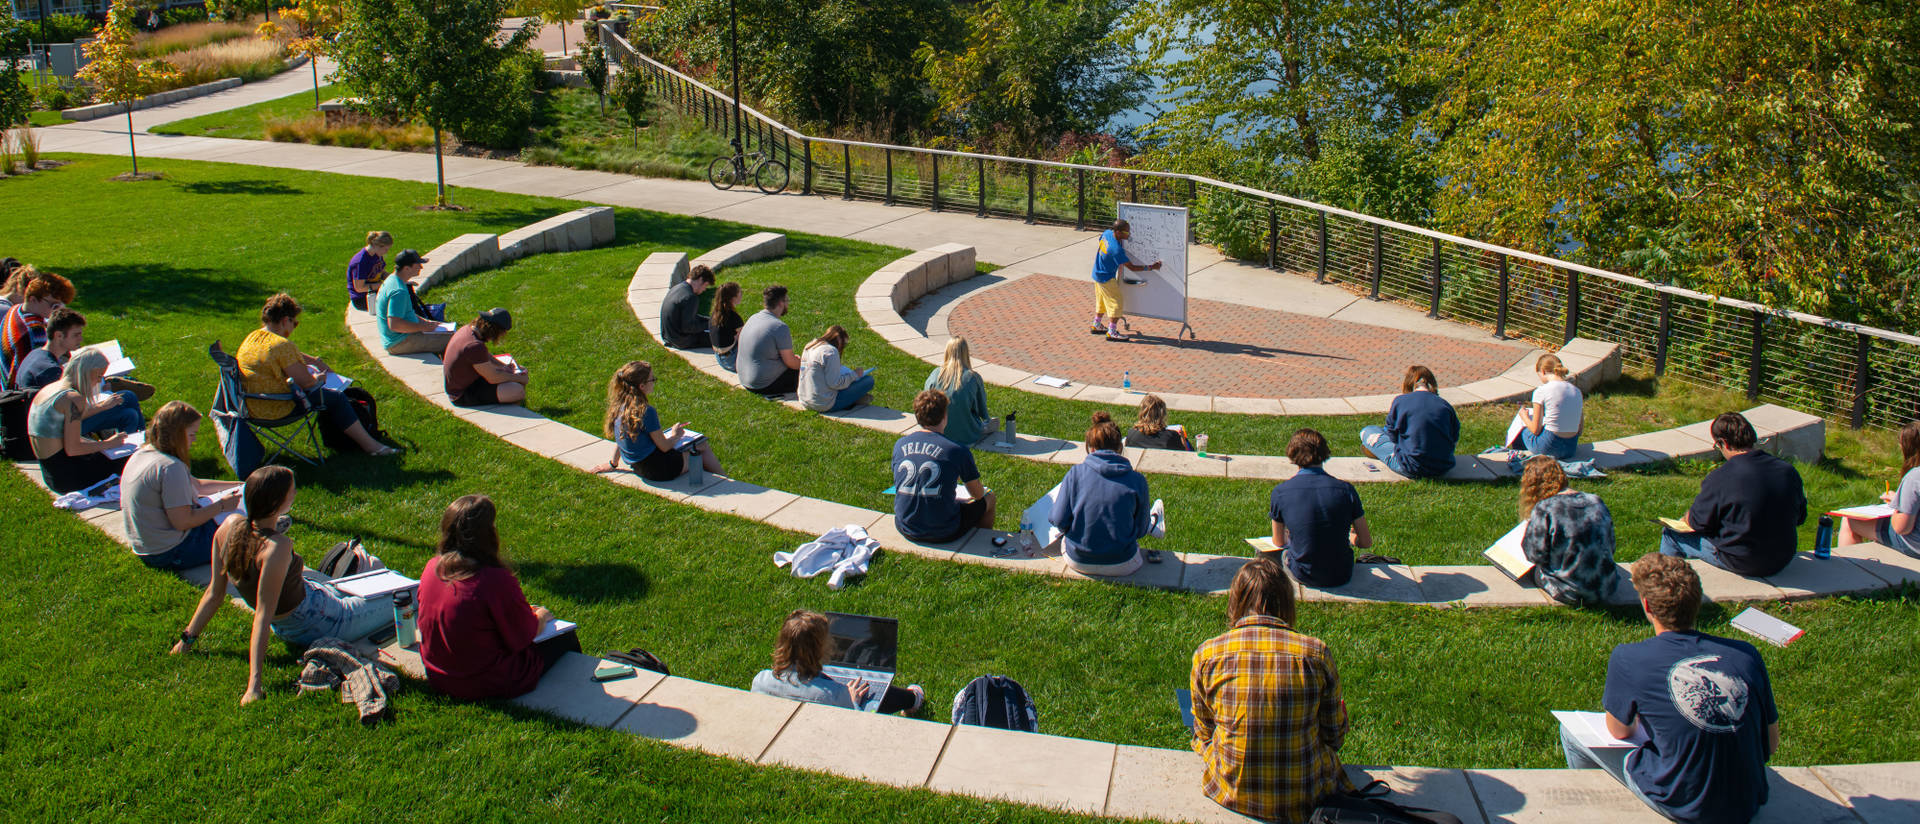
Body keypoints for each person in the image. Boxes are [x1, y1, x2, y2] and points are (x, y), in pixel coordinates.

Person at [1562, 553, 1779, 824]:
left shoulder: (1630, 658)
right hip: (1747, 801)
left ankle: (1592, 814)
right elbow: (1770, 744)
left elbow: (1618, 731)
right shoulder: (1746, 654)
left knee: (1571, 731)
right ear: (1697, 601)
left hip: (1683, 803)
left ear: (1647, 606)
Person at [169, 466, 394, 704]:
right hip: (319, 621)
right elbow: (262, 617)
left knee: (366, 581)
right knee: (404, 591)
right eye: (292, 491)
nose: (296, 493)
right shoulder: (276, 548)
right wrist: (253, 687)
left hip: (308, 605)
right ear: (276, 502)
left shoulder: (228, 527)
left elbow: (215, 593)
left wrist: (186, 640)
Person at [1190, 557, 1352, 822]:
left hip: (1231, 790)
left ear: (1235, 601)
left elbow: (1204, 733)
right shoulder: (1315, 653)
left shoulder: (1208, 654)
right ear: (1287, 602)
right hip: (1305, 793)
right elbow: (1334, 737)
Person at [418, 494, 581, 700]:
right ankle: (577, 694)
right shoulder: (494, 579)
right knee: (565, 639)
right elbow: (524, 636)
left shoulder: (432, 568)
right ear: (487, 535)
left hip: (438, 675)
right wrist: (541, 615)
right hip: (484, 683)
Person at [238, 293, 398, 455]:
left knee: (329, 395)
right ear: (286, 321)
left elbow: (287, 356)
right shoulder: (281, 345)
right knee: (336, 398)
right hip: (277, 407)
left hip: (251, 404)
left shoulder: (253, 337)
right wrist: (319, 378)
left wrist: (314, 361)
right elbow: (308, 383)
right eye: (295, 323)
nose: (294, 327)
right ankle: (372, 447)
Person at [1659, 412, 1806, 577]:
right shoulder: (1787, 471)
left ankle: (1667, 588)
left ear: (1724, 443)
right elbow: (1800, 517)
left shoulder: (1721, 477)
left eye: (1717, 446)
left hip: (1744, 561)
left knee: (1671, 535)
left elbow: (1698, 523)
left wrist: (1686, 518)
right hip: (1782, 557)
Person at [120, 401, 243, 570]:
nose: (194, 440)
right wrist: (221, 506)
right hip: (170, 551)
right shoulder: (170, 468)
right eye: (192, 434)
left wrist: (243, 484)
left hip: (147, 546)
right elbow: (183, 522)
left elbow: (198, 486)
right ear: (177, 434)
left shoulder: (143, 453)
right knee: (240, 526)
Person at [750, 609, 924, 714]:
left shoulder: (761, 680)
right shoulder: (836, 695)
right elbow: (854, 726)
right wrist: (852, 700)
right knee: (867, 695)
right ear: (820, 649)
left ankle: (912, 699)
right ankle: (912, 699)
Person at [1052, 411, 1159, 574]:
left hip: (1079, 559)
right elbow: (1140, 530)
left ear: (1091, 447)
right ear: (1120, 447)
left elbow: (1058, 519)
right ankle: (1156, 521)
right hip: (1123, 562)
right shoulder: (1137, 480)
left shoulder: (1075, 474)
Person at [1266, 428, 1371, 588]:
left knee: (1270, 556)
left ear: (1292, 455)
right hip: (1342, 573)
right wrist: (1351, 538)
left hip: (1303, 572)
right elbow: (1365, 541)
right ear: (1324, 453)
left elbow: (1278, 541)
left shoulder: (1281, 492)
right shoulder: (1346, 490)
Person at [17, 307, 144, 437]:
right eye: (76, 335)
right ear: (59, 335)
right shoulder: (50, 370)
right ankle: (137, 444)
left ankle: (134, 445)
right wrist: (103, 404)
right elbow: (70, 412)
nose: (81, 339)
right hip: (56, 429)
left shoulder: (37, 354)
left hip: (52, 420)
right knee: (128, 402)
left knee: (129, 411)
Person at [891, 390, 995, 542]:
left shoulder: (900, 444)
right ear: (945, 416)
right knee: (989, 498)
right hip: (943, 530)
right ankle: (982, 541)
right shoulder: (956, 450)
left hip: (906, 525)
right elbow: (977, 494)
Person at [593, 360, 723, 481]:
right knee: (702, 446)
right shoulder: (646, 411)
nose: (654, 382)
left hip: (639, 467)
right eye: (652, 380)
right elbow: (665, 447)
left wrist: (613, 463)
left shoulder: (619, 407)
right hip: (660, 469)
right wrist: (676, 435)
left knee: (694, 447)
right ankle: (727, 482)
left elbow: (621, 438)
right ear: (642, 386)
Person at [1518, 455, 1618, 605]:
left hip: (1569, 591)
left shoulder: (1546, 508)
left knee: (1534, 572)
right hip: (1606, 587)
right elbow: (1612, 545)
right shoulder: (1595, 500)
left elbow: (1534, 555)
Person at [28, 347, 129, 493]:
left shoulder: (50, 389)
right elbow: (73, 449)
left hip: (51, 474)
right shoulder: (73, 399)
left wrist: (101, 407)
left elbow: (62, 428)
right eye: (99, 376)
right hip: (70, 478)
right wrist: (108, 444)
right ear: (87, 373)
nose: (99, 381)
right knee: (127, 458)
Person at [1360, 365, 1459, 477]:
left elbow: (1392, 436)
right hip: (1443, 467)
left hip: (1411, 466)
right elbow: (1454, 439)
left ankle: (1377, 450)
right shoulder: (1445, 405)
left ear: (1409, 384)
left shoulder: (1401, 401)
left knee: (1368, 431)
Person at [1839, 420, 1920, 556]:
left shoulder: (1914, 477)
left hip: (1913, 546)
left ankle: (1851, 570)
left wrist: (1896, 509)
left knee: (1849, 521)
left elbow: (1902, 528)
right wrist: (1898, 499)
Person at [1088, 219, 1162, 341]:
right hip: (1106, 278)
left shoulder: (1106, 233)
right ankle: (1112, 331)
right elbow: (1132, 267)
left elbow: (1101, 241)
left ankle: (1096, 324)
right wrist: (1151, 267)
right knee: (1116, 303)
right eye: (1126, 232)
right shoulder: (1116, 250)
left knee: (1101, 301)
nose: (1129, 234)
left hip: (1097, 273)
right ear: (1117, 232)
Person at [444, 307, 529, 407]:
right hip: (462, 394)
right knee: (516, 390)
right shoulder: (474, 346)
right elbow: (493, 378)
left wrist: (503, 366)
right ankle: (514, 404)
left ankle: (511, 399)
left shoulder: (467, 330)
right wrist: (519, 379)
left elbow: (485, 356)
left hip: (467, 382)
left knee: (519, 370)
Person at [3, 268, 74, 387]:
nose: (57, 311)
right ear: (32, 299)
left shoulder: (15, 310)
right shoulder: (34, 332)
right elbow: (44, 370)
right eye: (54, 305)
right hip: (19, 396)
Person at [375, 249, 453, 356]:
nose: (421, 267)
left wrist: (426, 322)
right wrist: (424, 327)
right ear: (407, 268)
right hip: (399, 342)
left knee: (450, 334)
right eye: (418, 265)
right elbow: (395, 325)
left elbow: (406, 313)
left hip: (398, 337)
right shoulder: (399, 291)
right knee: (455, 340)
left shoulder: (392, 280)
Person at [1510, 354, 1583, 459]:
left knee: (1522, 431)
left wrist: (1524, 416)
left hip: (1549, 447)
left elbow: (1536, 430)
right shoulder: (1577, 391)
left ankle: (1518, 458)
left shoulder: (1541, 391)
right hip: (1570, 448)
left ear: (1543, 371)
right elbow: (1579, 430)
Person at [925, 337, 992, 446]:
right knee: (994, 423)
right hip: (968, 435)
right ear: (966, 353)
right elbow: (983, 412)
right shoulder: (973, 377)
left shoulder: (935, 374)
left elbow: (925, 404)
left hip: (937, 431)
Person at [738, 284, 801, 395]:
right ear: (781, 303)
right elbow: (791, 363)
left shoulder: (753, 317)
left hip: (744, 378)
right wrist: (804, 363)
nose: (787, 304)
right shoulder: (779, 327)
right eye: (787, 300)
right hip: (763, 384)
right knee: (810, 374)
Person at [798, 325, 873, 413]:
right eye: (844, 344)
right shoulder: (831, 351)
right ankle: (855, 399)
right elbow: (835, 383)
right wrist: (854, 375)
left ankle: (856, 398)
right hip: (823, 404)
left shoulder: (810, 345)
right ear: (839, 340)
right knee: (868, 380)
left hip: (805, 400)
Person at [660, 265, 714, 349]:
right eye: (705, 285)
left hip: (668, 337)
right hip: (681, 340)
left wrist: (709, 320)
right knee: (722, 337)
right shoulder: (690, 297)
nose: (704, 289)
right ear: (700, 280)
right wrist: (711, 324)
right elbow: (688, 328)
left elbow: (688, 318)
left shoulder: (677, 288)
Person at [1125, 393, 1190, 451]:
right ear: (1163, 415)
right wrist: (1182, 439)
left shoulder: (1131, 434)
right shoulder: (1172, 436)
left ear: (1141, 413)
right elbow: (1184, 455)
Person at [347, 230, 392, 312]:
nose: (387, 252)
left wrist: (396, 279)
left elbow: (381, 273)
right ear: (377, 246)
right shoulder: (360, 262)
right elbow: (359, 288)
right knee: (396, 304)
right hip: (363, 299)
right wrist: (383, 285)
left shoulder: (377, 255)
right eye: (386, 249)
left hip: (376, 291)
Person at [709, 280, 745, 372]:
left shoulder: (715, 314)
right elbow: (745, 339)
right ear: (733, 298)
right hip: (732, 361)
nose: (741, 295)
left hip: (720, 359)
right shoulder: (733, 317)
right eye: (740, 293)